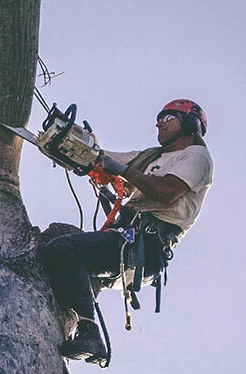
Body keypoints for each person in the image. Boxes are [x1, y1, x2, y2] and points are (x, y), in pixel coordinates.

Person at [39, 99, 214, 365]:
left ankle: (90, 334)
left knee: (63, 249)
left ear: (191, 123)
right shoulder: (149, 158)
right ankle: (77, 325)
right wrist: (76, 143)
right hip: (126, 239)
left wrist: (121, 171)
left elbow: (166, 192)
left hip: (146, 245)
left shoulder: (196, 156)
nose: (158, 123)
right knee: (62, 249)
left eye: (167, 117)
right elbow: (103, 159)